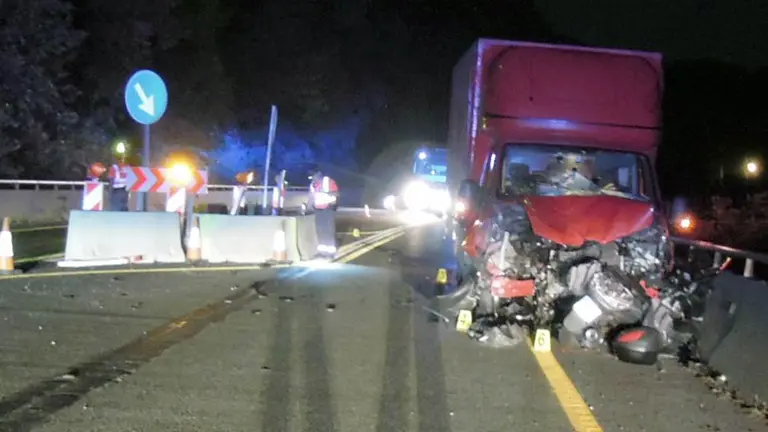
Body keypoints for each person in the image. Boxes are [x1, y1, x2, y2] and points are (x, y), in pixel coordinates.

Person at [308, 168, 339, 259]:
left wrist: (332, 202)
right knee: (320, 230)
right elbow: (311, 197)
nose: (313, 179)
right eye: (311, 177)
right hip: (318, 209)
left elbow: (336, 193)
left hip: (328, 208)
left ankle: (331, 252)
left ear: (319, 174)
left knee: (328, 230)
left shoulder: (328, 181)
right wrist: (309, 207)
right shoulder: (313, 185)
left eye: (313, 176)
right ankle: (323, 252)